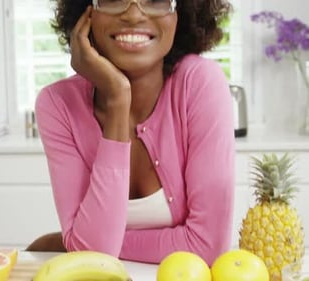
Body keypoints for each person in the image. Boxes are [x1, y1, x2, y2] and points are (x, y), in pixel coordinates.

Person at [32, 0, 235, 266]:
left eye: (156, 0)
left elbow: (208, 247)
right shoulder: (58, 105)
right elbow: (93, 257)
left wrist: (69, 242)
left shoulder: (199, 83)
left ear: (179, 14)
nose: (133, 13)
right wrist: (117, 98)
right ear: (86, 13)